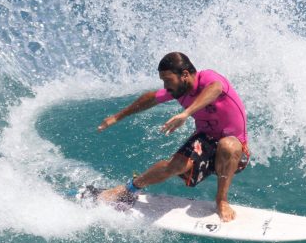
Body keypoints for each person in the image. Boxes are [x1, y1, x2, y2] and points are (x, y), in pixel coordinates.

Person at [97, 52, 249, 222]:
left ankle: (221, 200)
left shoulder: (208, 78)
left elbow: (216, 88)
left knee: (228, 145)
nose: (165, 86)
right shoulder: (179, 90)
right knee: (175, 165)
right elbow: (150, 98)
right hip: (206, 140)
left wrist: (186, 113)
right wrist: (117, 117)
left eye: (168, 80)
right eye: (163, 81)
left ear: (184, 75)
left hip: (235, 148)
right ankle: (130, 188)